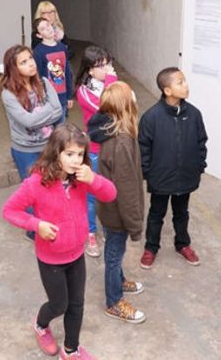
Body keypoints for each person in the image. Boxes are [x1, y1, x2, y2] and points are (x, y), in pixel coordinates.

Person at [2, 123, 117, 360]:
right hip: (50, 258)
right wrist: (37, 225)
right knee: (59, 304)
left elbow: (110, 194)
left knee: (77, 304)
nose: (76, 160)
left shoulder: (82, 178)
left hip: (76, 253)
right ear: (56, 152)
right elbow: (10, 210)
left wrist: (93, 179)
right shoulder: (36, 182)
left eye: (80, 154)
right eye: (69, 154)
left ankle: (71, 350)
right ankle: (41, 324)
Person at [88, 82, 147, 324]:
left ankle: (119, 281)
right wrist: (134, 225)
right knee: (114, 253)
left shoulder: (110, 132)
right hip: (117, 213)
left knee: (116, 250)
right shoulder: (121, 142)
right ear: (127, 107)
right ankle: (114, 301)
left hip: (109, 208)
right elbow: (126, 189)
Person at [137, 67, 207, 269]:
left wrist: (198, 167)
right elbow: (143, 148)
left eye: (184, 81)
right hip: (161, 177)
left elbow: (201, 142)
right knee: (156, 213)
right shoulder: (151, 117)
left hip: (186, 177)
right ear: (167, 90)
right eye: (180, 82)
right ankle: (151, 247)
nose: (186, 85)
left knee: (182, 213)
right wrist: (148, 173)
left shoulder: (194, 114)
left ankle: (182, 244)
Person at [1, 44, 63, 239]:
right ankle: (33, 230)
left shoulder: (44, 82)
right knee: (30, 190)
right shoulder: (8, 94)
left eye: (31, 59)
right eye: (23, 62)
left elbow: (59, 111)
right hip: (25, 149)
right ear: (14, 67)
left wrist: (41, 115)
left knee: (52, 185)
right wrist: (48, 112)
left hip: (48, 145)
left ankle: (50, 223)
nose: (30, 64)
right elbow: (27, 121)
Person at [75, 45, 118, 258]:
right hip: (94, 149)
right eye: (102, 66)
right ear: (90, 70)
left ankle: (108, 225)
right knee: (91, 196)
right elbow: (107, 107)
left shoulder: (110, 83)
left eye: (108, 64)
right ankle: (90, 232)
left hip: (113, 147)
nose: (107, 69)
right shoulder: (84, 91)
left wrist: (112, 81)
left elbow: (125, 103)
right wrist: (112, 81)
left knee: (109, 190)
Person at [32, 17, 74, 121]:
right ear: (39, 35)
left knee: (61, 126)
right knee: (48, 128)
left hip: (63, 96)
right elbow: (38, 76)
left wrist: (69, 95)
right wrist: (41, 97)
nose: (48, 29)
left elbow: (67, 73)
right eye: (43, 29)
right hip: (48, 98)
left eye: (48, 25)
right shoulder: (38, 52)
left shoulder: (62, 48)